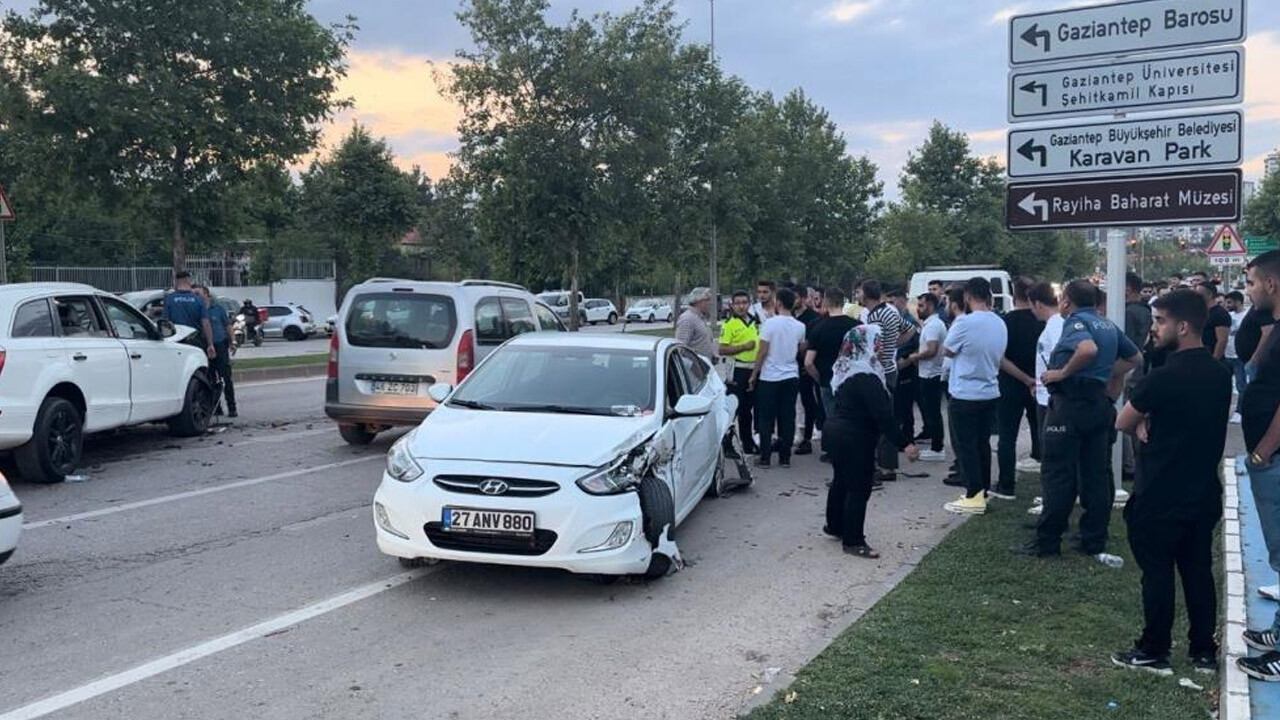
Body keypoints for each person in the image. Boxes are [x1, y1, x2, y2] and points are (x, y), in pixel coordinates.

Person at [1111, 289, 1229, 676]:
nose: (1155, 329)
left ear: (1182, 326)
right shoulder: (1219, 374)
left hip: (1160, 490)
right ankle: (1202, 651)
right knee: (1197, 570)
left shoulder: (1161, 378)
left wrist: (1144, 421)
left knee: (1157, 571)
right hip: (1202, 490)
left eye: (1160, 321)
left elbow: (1124, 421)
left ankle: (1153, 647)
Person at [1020, 280, 1140, 557]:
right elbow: (1135, 358)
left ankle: (1047, 542)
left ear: (1067, 301)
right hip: (1099, 405)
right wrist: (1109, 372)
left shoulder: (1075, 323)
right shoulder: (1107, 325)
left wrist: (1061, 374)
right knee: (1096, 475)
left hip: (1070, 405)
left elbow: (1087, 350)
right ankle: (1093, 539)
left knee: (1058, 475)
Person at [822, 324, 920, 558]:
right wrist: (904, 443)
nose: (880, 346)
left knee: (841, 480)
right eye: (877, 342)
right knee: (859, 486)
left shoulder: (845, 370)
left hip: (836, 431)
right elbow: (883, 415)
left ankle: (835, 525)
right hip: (855, 435)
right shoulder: (867, 376)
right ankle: (854, 540)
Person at [1236, 251, 1280, 681]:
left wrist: (1262, 451)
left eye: (1250, 282)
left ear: (1270, 284)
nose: (1247, 291)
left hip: (1273, 456)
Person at [941, 278, 1007, 515]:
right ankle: (982, 491)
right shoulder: (1000, 323)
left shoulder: (965, 323)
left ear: (967, 297)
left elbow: (947, 350)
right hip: (990, 390)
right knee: (982, 444)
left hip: (965, 392)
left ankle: (973, 494)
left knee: (966, 445)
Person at [994, 277, 1044, 500]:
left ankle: (1006, 485)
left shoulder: (1005, 322)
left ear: (1014, 296)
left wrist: (1024, 379)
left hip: (1011, 384)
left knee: (1007, 436)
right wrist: (1034, 380)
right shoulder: (1043, 321)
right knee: (1041, 431)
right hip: (1041, 384)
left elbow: (1000, 358)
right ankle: (1045, 481)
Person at [750, 287, 806, 469]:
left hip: (770, 376)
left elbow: (763, 351)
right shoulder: (800, 326)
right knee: (787, 416)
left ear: (779, 303)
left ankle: (765, 457)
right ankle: (785, 457)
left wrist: (754, 373)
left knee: (766, 418)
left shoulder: (770, 324)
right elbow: (799, 348)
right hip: (791, 375)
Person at [859, 281, 904, 481]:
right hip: (891, 368)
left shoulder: (875, 316)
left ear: (866, 294)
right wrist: (892, 348)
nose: (857, 295)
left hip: (882, 372)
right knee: (885, 415)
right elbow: (909, 329)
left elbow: (874, 344)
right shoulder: (891, 311)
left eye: (859, 292)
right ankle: (885, 464)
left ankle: (886, 467)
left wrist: (880, 355)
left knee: (882, 417)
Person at [1027, 282, 1064, 478]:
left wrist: (1053, 378)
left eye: (1032, 306)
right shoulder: (1052, 325)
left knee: (1051, 452)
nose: (1032, 312)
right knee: (1048, 449)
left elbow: (1061, 356)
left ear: (1039, 304)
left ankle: (1053, 497)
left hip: (1050, 398)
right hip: (1043, 393)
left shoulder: (1056, 325)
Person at [805, 288, 858, 423]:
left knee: (833, 421)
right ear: (843, 302)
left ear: (826, 302)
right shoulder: (856, 326)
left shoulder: (817, 328)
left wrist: (820, 379)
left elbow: (808, 363)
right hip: (851, 380)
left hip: (827, 380)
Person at [906, 292, 947, 462]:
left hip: (931, 374)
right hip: (928, 372)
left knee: (933, 412)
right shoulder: (930, 324)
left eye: (921, 305)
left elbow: (931, 350)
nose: (918, 309)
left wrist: (914, 357)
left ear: (930, 306)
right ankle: (935, 446)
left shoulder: (933, 325)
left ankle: (937, 448)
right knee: (931, 411)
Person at [719, 292, 760, 455]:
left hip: (753, 368)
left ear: (749, 304)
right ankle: (726, 443)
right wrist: (743, 347)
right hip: (737, 369)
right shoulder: (730, 324)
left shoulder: (754, 321)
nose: (741, 306)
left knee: (747, 408)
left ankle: (747, 442)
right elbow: (722, 349)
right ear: (732, 305)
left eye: (744, 302)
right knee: (734, 407)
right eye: (738, 303)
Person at [1123, 272, 1153, 484]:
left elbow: (1128, 346)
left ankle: (1129, 465)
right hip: (1145, 371)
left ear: (1127, 289)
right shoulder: (1146, 310)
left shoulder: (1126, 313)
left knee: (1126, 419)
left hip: (1130, 372)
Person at [196, 284, 238, 418]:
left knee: (226, 377)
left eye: (198, 294)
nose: (195, 297)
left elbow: (228, 326)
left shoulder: (218, 309)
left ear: (206, 294)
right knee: (210, 379)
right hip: (204, 348)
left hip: (220, 346)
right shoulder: (197, 310)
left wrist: (233, 341)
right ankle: (216, 407)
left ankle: (232, 407)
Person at [794, 287, 824, 456]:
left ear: (804, 299)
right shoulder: (788, 317)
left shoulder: (814, 319)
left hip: (809, 366)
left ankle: (811, 434)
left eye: (797, 298)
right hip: (792, 366)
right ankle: (798, 433)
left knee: (811, 400)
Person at [889, 288, 921, 443]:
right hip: (896, 365)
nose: (891, 304)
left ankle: (907, 438)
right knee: (897, 404)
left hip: (905, 367)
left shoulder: (909, 320)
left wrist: (907, 359)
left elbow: (916, 344)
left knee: (905, 405)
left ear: (902, 299)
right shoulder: (896, 318)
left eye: (893, 301)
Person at [163, 271, 216, 361]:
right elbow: (206, 323)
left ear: (175, 282)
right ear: (190, 281)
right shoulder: (198, 300)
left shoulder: (169, 299)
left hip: (176, 341)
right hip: (195, 341)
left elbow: (165, 323)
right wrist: (210, 344)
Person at [676, 287, 718, 362]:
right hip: (693, 369)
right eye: (707, 300)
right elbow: (680, 348)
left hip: (704, 368)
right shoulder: (687, 319)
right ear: (698, 301)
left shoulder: (700, 318)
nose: (710, 303)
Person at [1225, 291, 1248, 422]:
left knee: (1241, 385)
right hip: (1227, 354)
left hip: (1239, 356)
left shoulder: (1246, 316)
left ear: (1238, 302)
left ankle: (1239, 411)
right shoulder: (1228, 316)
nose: (1227, 305)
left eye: (1230, 302)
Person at [1195, 281, 1231, 361]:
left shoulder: (1220, 314)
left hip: (1211, 358)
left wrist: (1214, 361)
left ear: (1210, 295)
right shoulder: (1201, 312)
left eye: (1199, 294)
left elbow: (1222, 341)